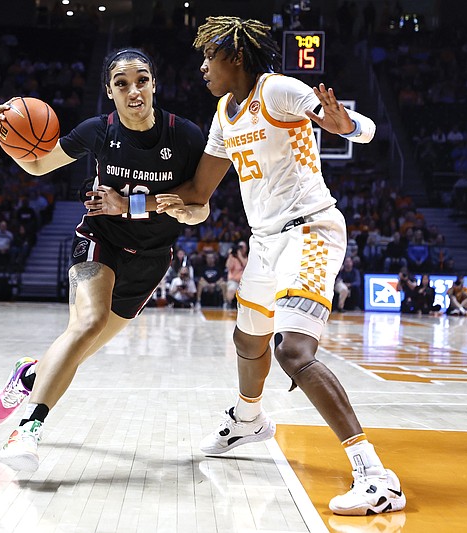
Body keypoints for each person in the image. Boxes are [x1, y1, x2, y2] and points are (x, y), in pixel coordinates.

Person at [150, 17, 404, 515]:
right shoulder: (225, 112)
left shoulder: (279, 89)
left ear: (236, 58)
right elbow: (199, 193)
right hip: (265, 243)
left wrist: (343, 124)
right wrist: (133, 204)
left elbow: (361, 129)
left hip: (310, 232)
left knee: (292, 350)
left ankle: (376, 475)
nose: (202, 67)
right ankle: (248, 419)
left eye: (210, 58)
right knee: (247, 338)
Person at [0, 48, 209, 471]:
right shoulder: (98, 131)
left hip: (151, 257)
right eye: (121, 84)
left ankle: (29, 376)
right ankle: (27, 430)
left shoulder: (187, 136)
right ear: (109, 91)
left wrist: (136, 206)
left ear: (154, 84)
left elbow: (201, 210)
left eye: (141, 80)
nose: (133, 90)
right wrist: (1, 134)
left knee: (82, 348)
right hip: (98, 241)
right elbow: (38, 165)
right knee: (86, 324)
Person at [224, 240, 248, 307]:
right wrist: (230, 255)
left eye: (242, 247)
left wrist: (239, 255)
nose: (240, 249)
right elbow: (228, 267)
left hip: (244, 282)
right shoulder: (232, 258)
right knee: (231, 289)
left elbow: (245, 265)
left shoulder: (247, 257)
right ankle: (228, 304)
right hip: (234, 281)